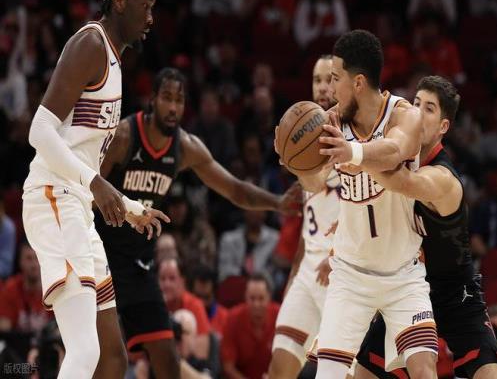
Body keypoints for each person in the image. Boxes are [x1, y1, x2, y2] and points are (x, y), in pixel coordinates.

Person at [98, 66, 300, 378]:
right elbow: (87, 185)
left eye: (179, 100)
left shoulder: (185, 147)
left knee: (168, 359)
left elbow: (234, 188)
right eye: (167, 98)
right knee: (110, 360)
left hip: (139, 265)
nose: (173, 107)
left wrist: (278, 202)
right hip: (102, 258)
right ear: (152, 100)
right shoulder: (124, 137)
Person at [21, 0, 168, 379]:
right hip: (53, 196)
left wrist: (130, 207)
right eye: (145, 5)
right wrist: (97, 184)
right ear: (119, 2)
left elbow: (84, 158)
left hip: (77, 205)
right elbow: (39, 130)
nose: (151, 18)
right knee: (84, 352)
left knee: (111, 356)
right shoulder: (90, 43)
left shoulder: (116, 63)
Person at [353, 76, 497, 379]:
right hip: (407, 288)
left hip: (456, 294)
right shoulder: (396, 152)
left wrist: (354, 153)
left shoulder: (443, 178)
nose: (417, 113)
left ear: (443, 126)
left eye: (429, 108)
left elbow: (404, 183)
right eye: (416, 103)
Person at [315, 30, 438, 378]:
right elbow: (312, 182)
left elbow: (395, 150)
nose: (329, 89)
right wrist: (300, 163)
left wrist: (351, 152)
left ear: (357, 82)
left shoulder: (404, 115)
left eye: (335, 79)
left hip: (403, 275)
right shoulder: (332, 121)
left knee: (425, 370)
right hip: (350, 275)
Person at [268, 55, 341, 378]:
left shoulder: (352, 136)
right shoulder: (304, 141)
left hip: (341, 273)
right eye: (317, 80)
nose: (322, 87)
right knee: (279, 366)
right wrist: (293, 279)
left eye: (330, 79)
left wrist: (337, 254)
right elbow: (308, 227)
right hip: (308, 271)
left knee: (339, 372)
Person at [220, 273, 280, 379]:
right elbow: (228, 367)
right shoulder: (233, 318)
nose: (256, 304)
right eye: (252, 298)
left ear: (269, 298)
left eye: (261, 299)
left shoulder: (280, 316)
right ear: (245, 297)